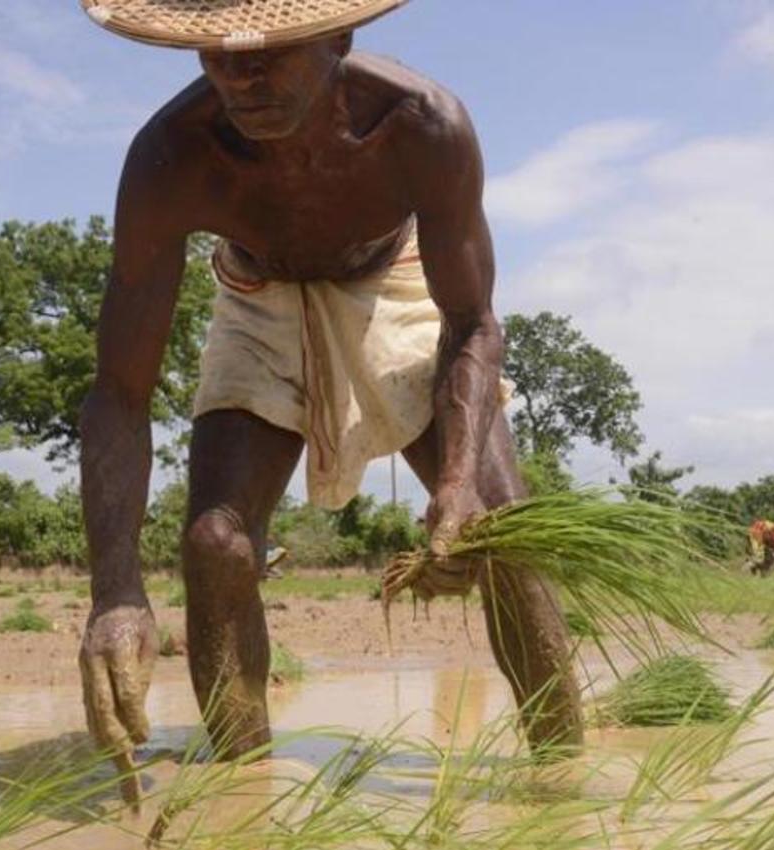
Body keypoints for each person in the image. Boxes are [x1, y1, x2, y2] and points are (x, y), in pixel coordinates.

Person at [74, 0, 583, 800]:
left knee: (504, 526)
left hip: (395, 282)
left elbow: (474, 323)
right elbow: (118, 391)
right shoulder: (171, 155)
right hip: (258, 292)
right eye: (216, 55)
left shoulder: (422, 126)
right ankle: (243, 798)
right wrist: (116, 594)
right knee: (214, 542)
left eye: (270, 53)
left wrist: (455, 484)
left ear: (339, 37)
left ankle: (563, 772)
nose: (241, 79)